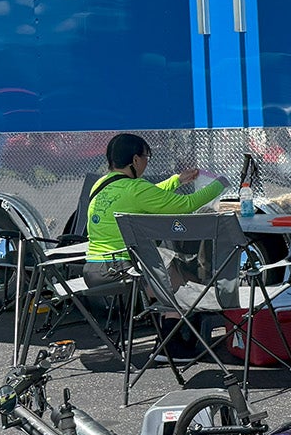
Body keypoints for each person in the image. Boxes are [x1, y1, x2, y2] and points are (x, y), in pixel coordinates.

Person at [85, 134, 227, 362]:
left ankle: (167, 341)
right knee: (174, 280)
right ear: (134, 160)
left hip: (93, 270)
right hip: (119, 269)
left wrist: (177, 181)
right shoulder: (135, 189)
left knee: (167, 270)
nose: (147, 162)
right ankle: (173, 347)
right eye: (146, 157)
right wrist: (221, 183)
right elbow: (187, 205)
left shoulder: (102, 184)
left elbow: (150, 196)